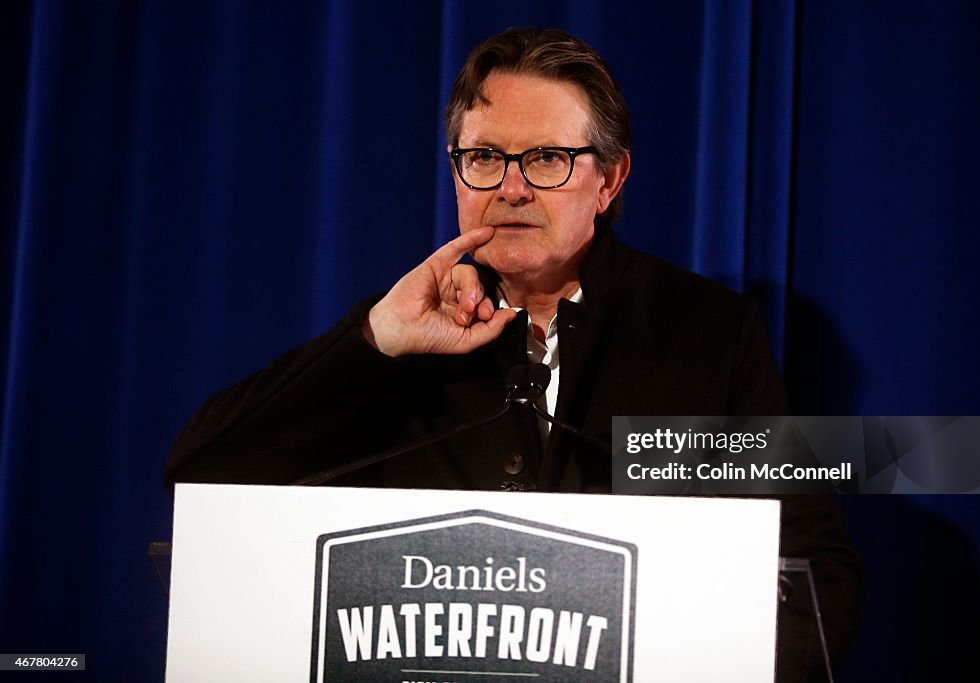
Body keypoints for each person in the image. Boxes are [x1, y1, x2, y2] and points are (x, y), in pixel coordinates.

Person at [165, 27, 860, 681]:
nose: (511, 186)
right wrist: (374, 340)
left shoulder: (706, 334)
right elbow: (200, 475)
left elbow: (812, 575)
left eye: (548, 159)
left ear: (610, 180)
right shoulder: (401, 336)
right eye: (485, 158)